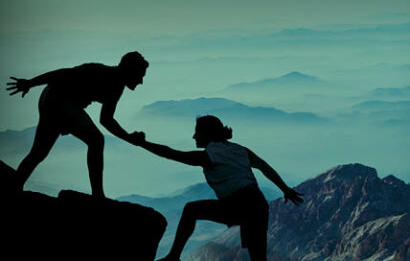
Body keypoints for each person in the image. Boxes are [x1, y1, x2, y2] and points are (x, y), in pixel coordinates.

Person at [135, 115, 304, 261]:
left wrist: (142, 143)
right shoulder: (240, 150)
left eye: (197, 132)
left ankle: (173, 257)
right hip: (258, 204)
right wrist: (285, 189)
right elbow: (264, 167)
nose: (194, 136)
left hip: (237, 203)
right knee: (258, 257)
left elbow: (171, 153)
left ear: (207, 134)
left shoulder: (208, 156)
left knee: (191, 210)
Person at [6, 51, 149, 197]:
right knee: (96, 141)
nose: (141, 81)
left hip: (51, 98)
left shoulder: (115, 86)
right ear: (130, 71)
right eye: (140, 75)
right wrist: (30, 82)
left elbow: (106, 120)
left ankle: (14, 187)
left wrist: (129, 138)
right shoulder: (99, 72)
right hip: (59, 101)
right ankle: (98, 194)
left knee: (38, 153)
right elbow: (61, 74)